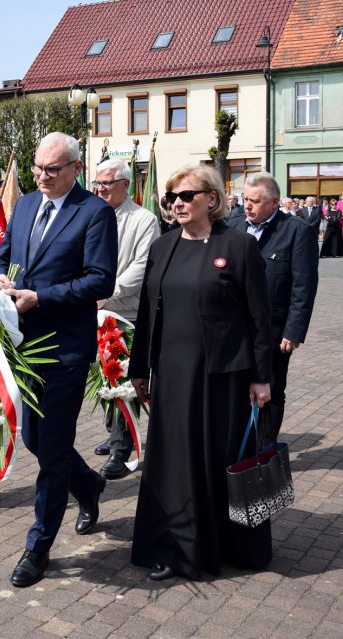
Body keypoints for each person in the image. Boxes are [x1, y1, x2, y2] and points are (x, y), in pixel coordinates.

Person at [129, 165, 274, 581]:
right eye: (171, 198)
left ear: (211, 199)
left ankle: (226, 545)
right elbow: (146, 312)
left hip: (220, 376)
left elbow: (258, 319)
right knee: (173, 461)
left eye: (186, 195)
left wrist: (262, 377)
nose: (177, 203)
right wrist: (140, 368)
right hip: (171, 375)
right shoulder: (163, 247)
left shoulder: (240, 246)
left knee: (215, 459)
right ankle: (173, 547)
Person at [0, 132, 116, 588]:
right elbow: (2, 255)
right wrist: (0, 276)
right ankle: (89, 486)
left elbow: (99, 279)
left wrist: (40, 298)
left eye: (52, 170)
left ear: (76, 169)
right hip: (24, 347)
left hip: (64, 348)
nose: (42, 176)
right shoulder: (24, 205)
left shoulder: (95, 213)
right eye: (38, 168)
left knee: (54, 448)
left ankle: (38, 547)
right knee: (37, 440)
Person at [230, 172, 319, 447]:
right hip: (233, 329)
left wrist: (293, 332)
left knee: (270, 389)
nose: (247, 206)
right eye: (246, 199)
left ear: (275, 202)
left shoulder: (296, 231)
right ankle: (238, 447)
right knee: (235, 390)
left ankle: (263, 450)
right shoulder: (232, 226)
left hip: (274, 331)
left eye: (255, 201)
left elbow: (303, 287)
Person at [91, 158, 160, 479]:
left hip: (124, 313)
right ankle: (114, 433)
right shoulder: (92, 214)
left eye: (107, 183)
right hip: (94, 311)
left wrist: (109, 291)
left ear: (125, 185)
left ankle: (122, 449)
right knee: (102, 379)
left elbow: (143, 265)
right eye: (98, 183)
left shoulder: (144, 219)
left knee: (120, 381)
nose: (100, 188)